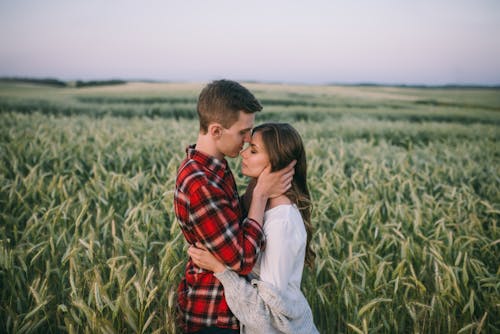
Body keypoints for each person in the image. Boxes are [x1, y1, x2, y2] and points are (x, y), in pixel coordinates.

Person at [174, 80, 295, 333]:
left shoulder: (211, 169)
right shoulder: (202, 184)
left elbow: (232, 220)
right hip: (214, 316)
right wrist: (261, 193)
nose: (248, 139)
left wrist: (258, 184)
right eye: (243, 132)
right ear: (216, 131)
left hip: (225, 307)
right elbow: (242, 259)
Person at [188, 123, 319, 334]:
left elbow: (267, 318)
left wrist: (220, 270)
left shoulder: (281, 222)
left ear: (276, 161)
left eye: (254, 150)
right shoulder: (261, 206)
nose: (243, 153)